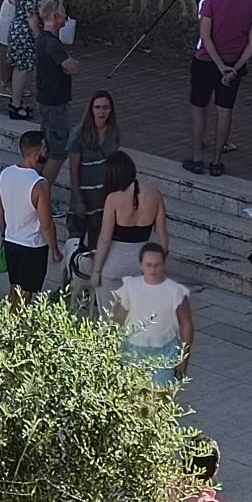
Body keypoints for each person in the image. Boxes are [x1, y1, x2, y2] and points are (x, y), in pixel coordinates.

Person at [186, 0, 252, 178]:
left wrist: (219, 65)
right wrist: (234, 67)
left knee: (199, 107)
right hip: (232, 65)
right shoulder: (251, 4)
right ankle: (217, 161)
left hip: (207, 61)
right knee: (225, 110)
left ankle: (198, 157)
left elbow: (205, 36)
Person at [92, 150, 168, 307]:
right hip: (141, 264)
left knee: (109, 319)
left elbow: (105, 239)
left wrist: (96, 270)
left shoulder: (113, 198)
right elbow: (162, 234)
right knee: (134, 317)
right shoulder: (155, 195)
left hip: (113, 264)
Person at [110, 242, 193, 384]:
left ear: (164, 265)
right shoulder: (130, 287)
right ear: (141, 265)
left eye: (157, 265)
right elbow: (117, 320)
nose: (153, 269)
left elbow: (187, 324)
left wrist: (183, 360)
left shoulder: (175, 291)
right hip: (133, 351)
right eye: (149, 265)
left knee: (160, 398)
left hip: (164, 352)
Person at [0, 130, 60, 302]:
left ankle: (8, 324)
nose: (47, 152)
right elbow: (46, 223)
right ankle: (16, 328)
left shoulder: (5, 173)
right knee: (25, 296)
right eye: (45, 149)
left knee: (14, 289)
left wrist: (5, 233)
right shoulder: (39, 184)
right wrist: (55, 250)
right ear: (36, 153)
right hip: (32, 245)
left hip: (11, 240)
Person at [66, 90, 119, 248]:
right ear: (91, 109)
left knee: (97, 243)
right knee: (76, 243)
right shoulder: (78, 134)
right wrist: (78, 199)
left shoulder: (114, 132)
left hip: (103, 196)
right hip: (84, 194)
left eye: (105, 107)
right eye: (97, 107)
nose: (102, 112)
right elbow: (73, 169)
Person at [33, 0, 80, 172]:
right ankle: (43, 188)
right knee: (58, 152)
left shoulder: (41, 39)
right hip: (56, 102)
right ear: (54, 16)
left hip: (44, 98)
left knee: (46, 145)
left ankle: (35, 183)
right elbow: (73, 68)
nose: (65, 18)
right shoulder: (53, 44)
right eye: (62, 14)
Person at [3, 0, 47, 121]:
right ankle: (15, 104)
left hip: (15, 28)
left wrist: (16, 4)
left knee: (17, 66)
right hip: (25, 32)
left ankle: (16, 101)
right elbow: (31, 16)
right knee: (23, 68)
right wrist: (38, 34)